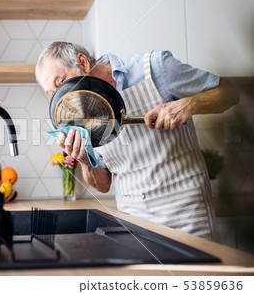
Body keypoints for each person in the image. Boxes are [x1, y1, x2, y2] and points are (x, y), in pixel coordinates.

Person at [36, 42, 239, 241]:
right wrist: (84, 160)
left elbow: (229, 93)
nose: (60, 97)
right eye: (52, 94)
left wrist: (187, 105)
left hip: (187, 214)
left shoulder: (155, 67)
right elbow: (103, 184)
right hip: (134, 223)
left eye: (60, 83)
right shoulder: (80, 119)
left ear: (82, 62)